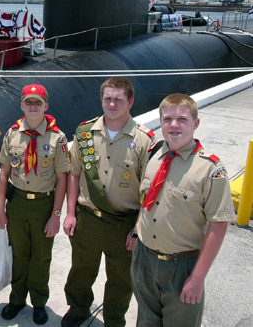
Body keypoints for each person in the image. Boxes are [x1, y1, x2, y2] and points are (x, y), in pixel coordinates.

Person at [131, 93, 235, 326]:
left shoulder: (210, 170)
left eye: (182, 119)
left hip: (181, 267)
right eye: (167, 119)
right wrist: (136, 231)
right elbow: (146, 200)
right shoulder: (154, 154)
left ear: (195, 123)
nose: (174, 125)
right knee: (146, 321)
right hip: (144, 259)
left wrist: (198, 278)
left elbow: (218, 225)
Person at [62, 76, 154, 327]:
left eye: (118, 99)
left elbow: (149, 192)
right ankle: (78, 308)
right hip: (88, 218)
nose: (112, 104)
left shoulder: (145, 140)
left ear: (130, 102)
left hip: (123, 224)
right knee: (81, 269)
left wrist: (137, 230)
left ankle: (114, 319)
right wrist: (70, 214)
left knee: (121, 279)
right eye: (107, 99)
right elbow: (74, 173)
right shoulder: (85, 133)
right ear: (101, 100)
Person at [0, 84, 69, 325]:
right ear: (22, 106)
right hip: (16, 203)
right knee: (18, 254)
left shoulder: (57, 138)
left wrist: (56, 215)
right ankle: (17, 299)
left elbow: (62, 179)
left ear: (46, 105)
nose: (34, 107)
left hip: (43, 205)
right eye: (29, 102)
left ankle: (38, 302)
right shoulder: (12, 134)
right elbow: (4, 173)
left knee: (40, 257)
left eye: (38, 102)